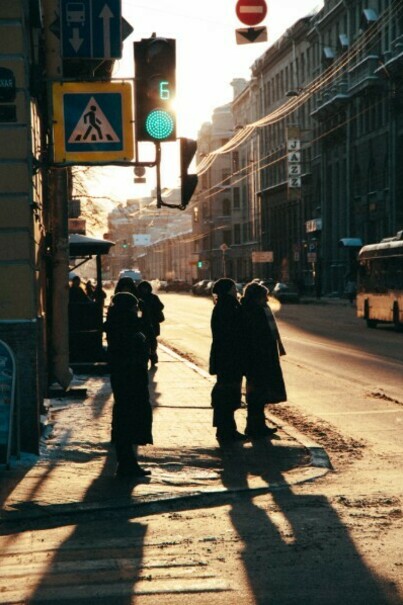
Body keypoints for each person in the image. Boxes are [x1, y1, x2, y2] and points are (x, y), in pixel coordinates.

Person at [104, 292, 153, 478]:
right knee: (128, 420)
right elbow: (134, 347)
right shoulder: (126, 325)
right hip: (130, 378)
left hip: (126, 378)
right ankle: (126, 465)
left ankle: (128, 462)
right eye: (134, 307)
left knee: (125, 420)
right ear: (128, 308)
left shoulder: (119, 322)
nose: (137, 310)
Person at [241, 281, 287, 438]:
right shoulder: (252, 311)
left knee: (259, 394)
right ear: (256, 297)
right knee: (256, 395)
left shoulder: (257, 309)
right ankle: (254, 427)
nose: (267, 300)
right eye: (264, 297)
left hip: (262, 357)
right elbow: (255, 337)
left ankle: (258, 424)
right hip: (257, 359)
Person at [209, 278, 246, 443]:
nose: (235, 290)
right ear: (227, 290)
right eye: (233, 287)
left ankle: (226, 429)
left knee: (227, 393)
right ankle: (226, 431)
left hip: (225, 356)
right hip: (229, 357)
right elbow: (235, 332)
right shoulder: (228, 306)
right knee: (228, 394)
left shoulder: (224, 305)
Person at [137, 280, 165, 366]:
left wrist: (152, 309)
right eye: (142, 288)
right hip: (143, 323)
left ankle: (153, 356)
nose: (144, 290)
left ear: (149, 288)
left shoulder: (153, 297)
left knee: (152, 341)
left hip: (153, 322)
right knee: (145, 342)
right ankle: (150, 356)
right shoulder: (138, 298)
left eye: (145, 288)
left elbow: (161, 306)